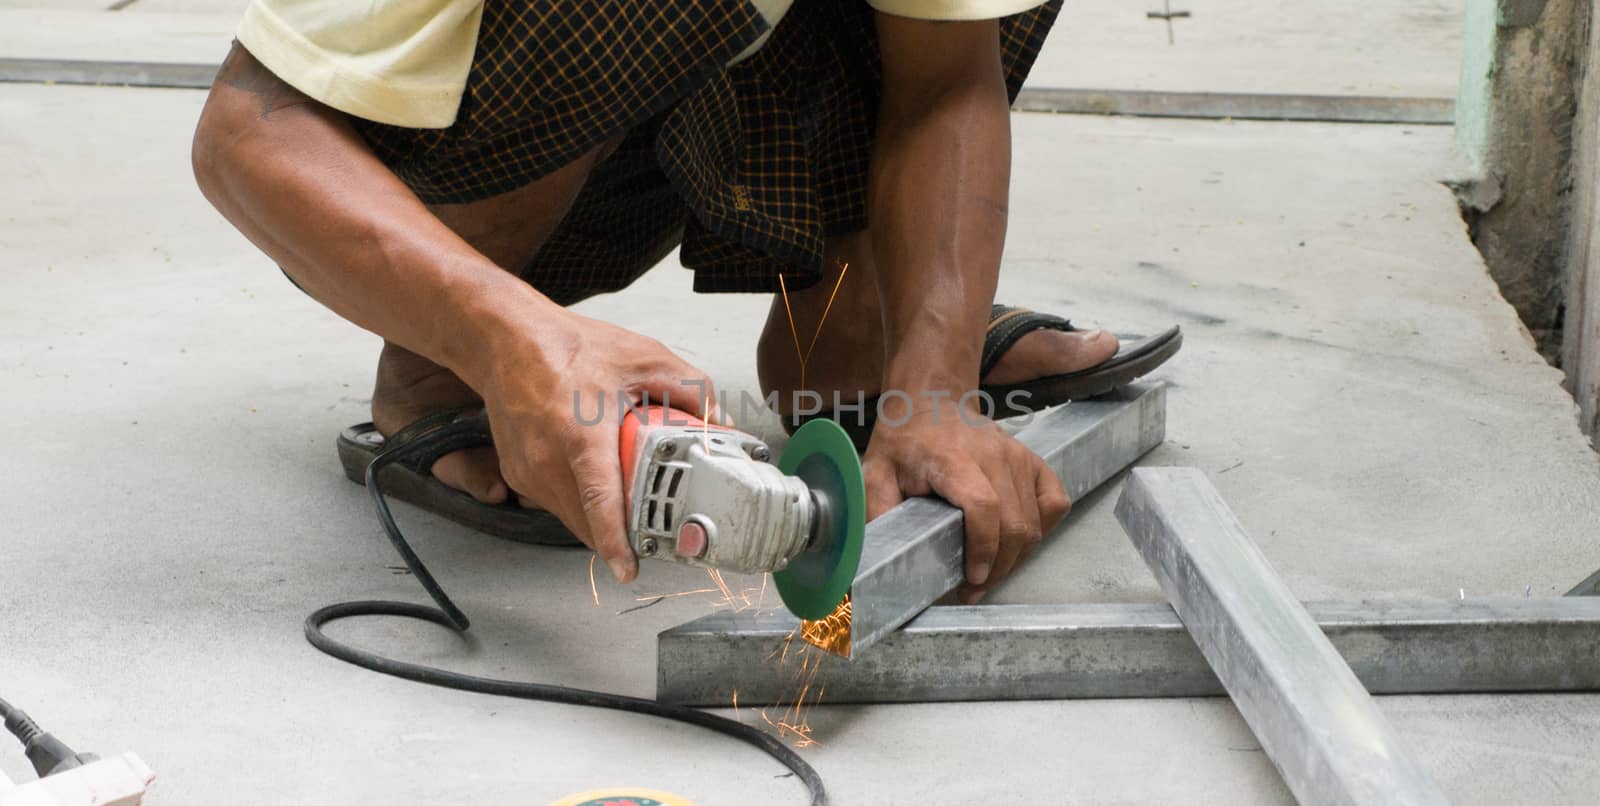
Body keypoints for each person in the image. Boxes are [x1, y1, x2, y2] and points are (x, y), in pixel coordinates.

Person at [191, 0, 1180, 605]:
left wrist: (935, 387)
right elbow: (249, 132)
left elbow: (941, 81)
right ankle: (434, 366)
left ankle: (841, 329)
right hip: (426, 194)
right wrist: (508, 335)